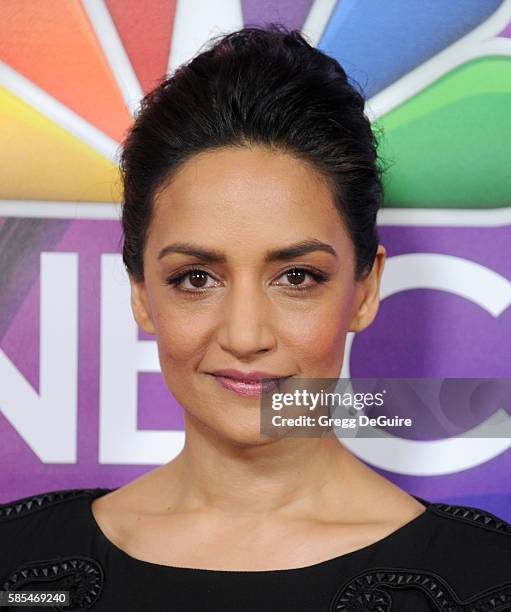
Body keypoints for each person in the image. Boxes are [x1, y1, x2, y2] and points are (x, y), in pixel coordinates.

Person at [1, 24, 510, 612]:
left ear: (365, 290)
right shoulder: (22, 573)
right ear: (141, 291)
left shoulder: (483, 583)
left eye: (297, 277)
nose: (245, 336)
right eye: (196, 278)